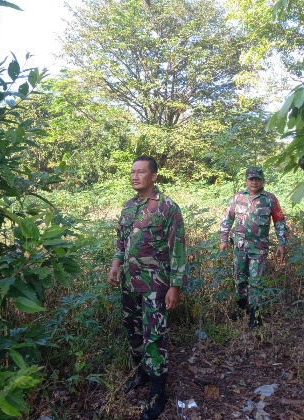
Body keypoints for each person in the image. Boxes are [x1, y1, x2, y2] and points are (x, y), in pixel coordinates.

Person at [108, 156, 187, 420]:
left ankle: (158, 388)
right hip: (130, 282)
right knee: (132, 329)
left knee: (155, 334)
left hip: (156, 285)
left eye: (140, 172)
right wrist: (115, 264)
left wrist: (175, 286)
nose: (134, 176)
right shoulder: (128, 207)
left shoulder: (167, 207)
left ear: (154, 176)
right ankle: (141, 372)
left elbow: (177, 249)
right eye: (132, 172)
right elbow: (121, 239)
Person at [219, 167, 288, 329]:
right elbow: (227, 219)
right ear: (246, 181)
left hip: (259, 249)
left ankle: (255, 315)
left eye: (257, 179)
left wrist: (281, 243)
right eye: (251, 179)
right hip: (239, 248)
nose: (254, 182)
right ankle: (241, 309)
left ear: (263, 180)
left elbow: (279, 222)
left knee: (257, 281)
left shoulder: (270, 199)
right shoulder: (237, 198)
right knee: (239, 279)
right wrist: (223, 239)